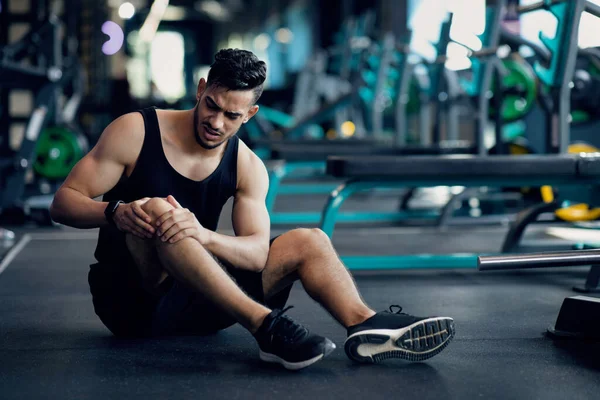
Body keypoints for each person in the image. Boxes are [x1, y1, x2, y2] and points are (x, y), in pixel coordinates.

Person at [50, 49, 455, 371]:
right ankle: (267, 327)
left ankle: (366, 326)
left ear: (251, 114)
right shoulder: (136, 131)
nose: (216, 122)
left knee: (309, 240)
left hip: (205, 303)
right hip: (133, 305)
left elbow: (259, 253)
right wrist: (114, 211)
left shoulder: (247, 165)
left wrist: (204, 234)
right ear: (201, 88)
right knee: (161, 212)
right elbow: (62, 202)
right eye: (211, 105)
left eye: (232, 115)